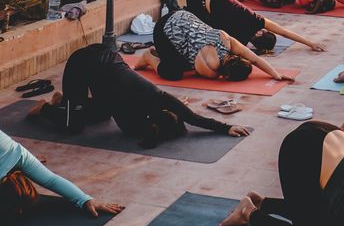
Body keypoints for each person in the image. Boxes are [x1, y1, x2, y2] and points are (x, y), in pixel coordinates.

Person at [28, 44, 250, 147]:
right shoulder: (132, 125)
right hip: (83, 63)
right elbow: (195, 120)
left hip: (105, 59)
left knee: (101, 115)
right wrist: (224, 128)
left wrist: (226, 127)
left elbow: (194, 118)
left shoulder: (156, 100)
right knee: (73, 126)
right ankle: (45, 107)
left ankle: (64, 102)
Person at [136, 8, 295, 84]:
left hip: (180, 14)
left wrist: (276, 74)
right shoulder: (211, 71)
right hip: (163, 29)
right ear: (226, 76)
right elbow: (254, 59)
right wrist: (275, 75)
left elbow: (254, 59)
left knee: (189, 56)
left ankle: (162, 53)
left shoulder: (228, 41)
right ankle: (149, 57)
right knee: (175, 72)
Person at [0, 127, 122, 220]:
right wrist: (84, 199)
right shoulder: (22, 157)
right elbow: (51, 180)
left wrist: (85, 200)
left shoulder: (18, 155)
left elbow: (51, 180)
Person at [186, 0, 326, 54]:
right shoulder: (239, 41)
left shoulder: (255, 19)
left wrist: (311, 43)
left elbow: (283, 31)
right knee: (210, 27)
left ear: (260, 32)